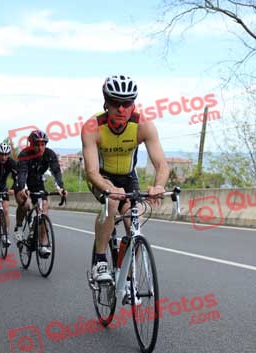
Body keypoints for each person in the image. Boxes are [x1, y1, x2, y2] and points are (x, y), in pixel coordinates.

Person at [81, 74, 169, 282]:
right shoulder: (92, 127)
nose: (121, 109)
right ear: (106, 103)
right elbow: (91, 172)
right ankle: (100, 261)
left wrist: (159, 186)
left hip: (128, 177)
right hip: (102, 176)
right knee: (111, 203)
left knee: (133, 223)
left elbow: (162, 165)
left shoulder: (143, 125)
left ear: (133, 104)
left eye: (127, 103)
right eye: (115, 103)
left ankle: (126, 275)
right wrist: (108, 187)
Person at [14, 130, 66, 257]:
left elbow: (56, 171)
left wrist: (60, 187)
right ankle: (19, 227)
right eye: (37, 144)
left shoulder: (50, 154)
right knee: (25, 204)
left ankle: (43, 244)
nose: (40, 147)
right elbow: (22, 173)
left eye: (43, 144)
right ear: (31, 144)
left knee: (43, 212)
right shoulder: (25, 154)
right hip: (23, 183)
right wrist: (24, 188)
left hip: (38, 183)